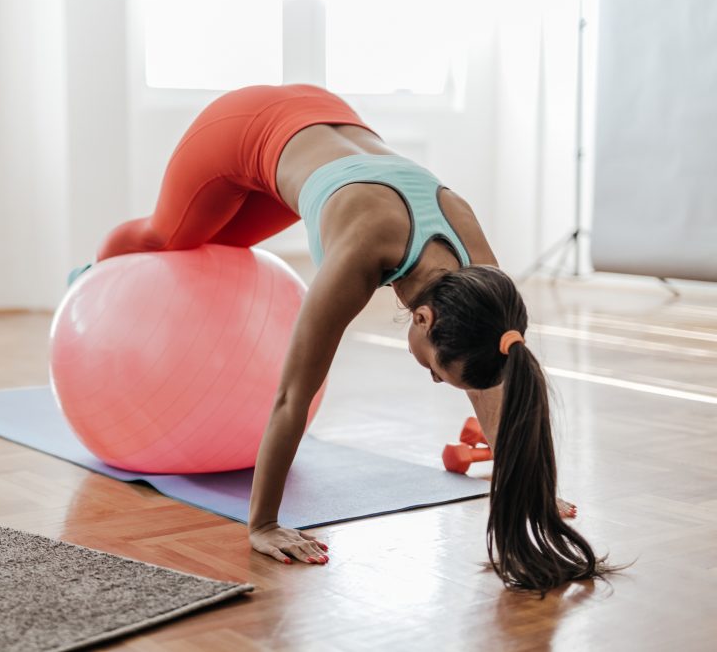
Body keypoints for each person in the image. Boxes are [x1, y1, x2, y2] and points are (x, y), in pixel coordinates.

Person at [75, 84, 614, 594]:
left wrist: (531, 490)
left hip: (323, 120)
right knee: (169, 239)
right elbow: (292, 395)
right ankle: (93, 278)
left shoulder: (484, 287)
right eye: (434, 370)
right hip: (242, 127)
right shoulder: (359, 256)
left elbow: (497, 375)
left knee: (221, 242)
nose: (429, 375)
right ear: (422, 319)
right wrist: (262, 523)